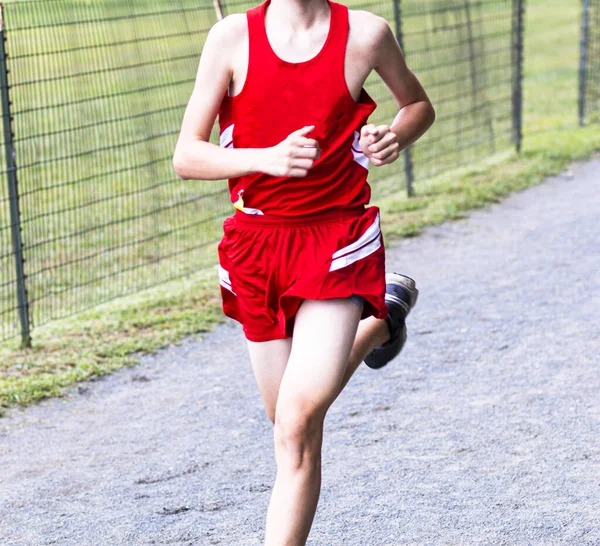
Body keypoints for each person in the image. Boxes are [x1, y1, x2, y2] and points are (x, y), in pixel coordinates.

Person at [173, 0, 435, 543]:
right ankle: (381, 321)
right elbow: (186, 156)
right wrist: (263, 158)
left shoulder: (366, 33)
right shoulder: (230, 38)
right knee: (290, 419)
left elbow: (418, 105)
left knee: (295, 423)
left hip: (337, 240)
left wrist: (396, 135)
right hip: (257, 246)